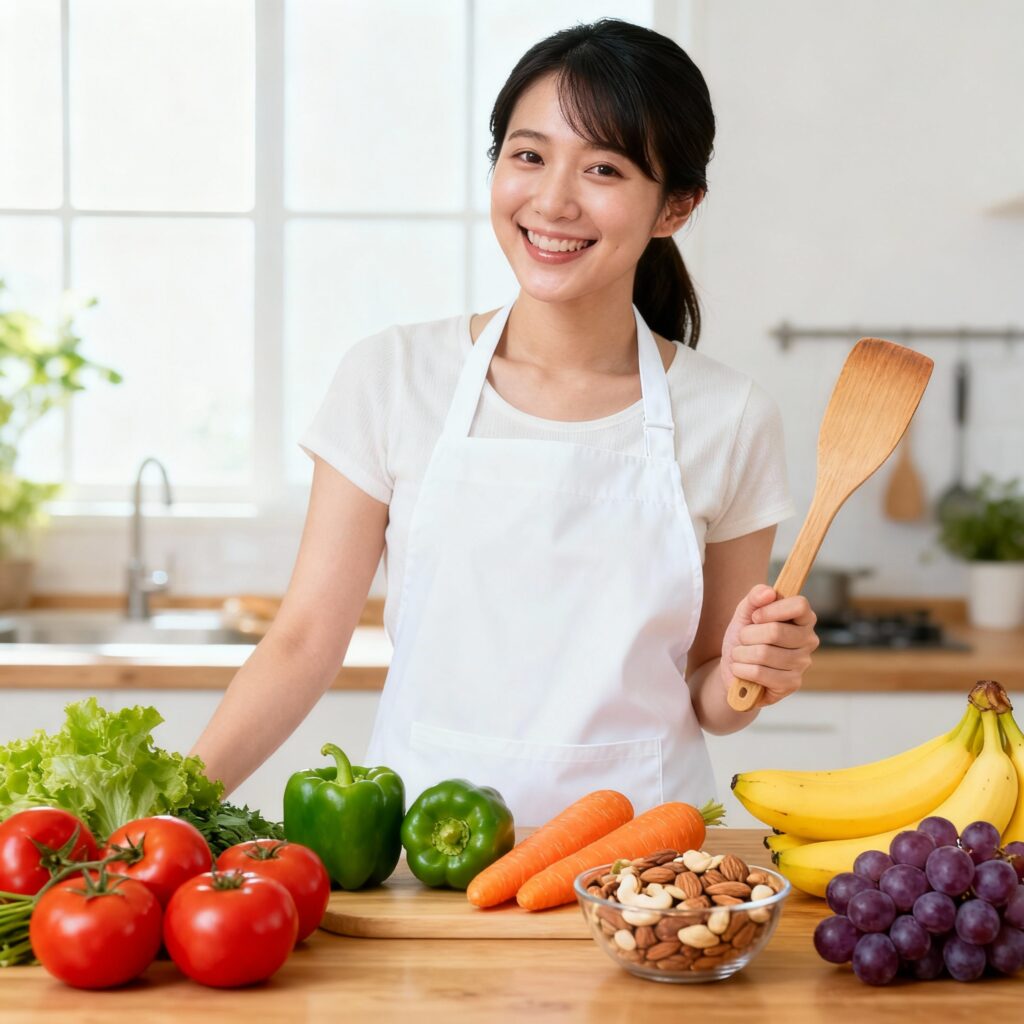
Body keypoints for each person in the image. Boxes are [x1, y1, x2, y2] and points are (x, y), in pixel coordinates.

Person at [191, 19, 819, 826]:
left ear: (676, 207)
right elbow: (304, 642)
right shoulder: (391, 377)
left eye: (603, 168)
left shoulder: (729, 416)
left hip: (640, 869)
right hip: (421, 851)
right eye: (529, 155)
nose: (553, 200)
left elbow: (710, 694)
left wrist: (750, 672)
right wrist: (168, 811)